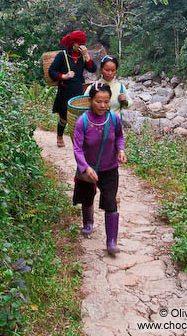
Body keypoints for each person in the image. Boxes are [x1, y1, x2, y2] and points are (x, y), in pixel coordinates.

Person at [73, 82, 127, 255]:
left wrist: (121, 150)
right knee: (87, 197)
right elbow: (77, 148)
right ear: (90, 100)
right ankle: (88, 223)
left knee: (111, 201)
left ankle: (111, 241)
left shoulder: (114, 119)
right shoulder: (83, 122)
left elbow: (119, 136)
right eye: (98, 101)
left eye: (106, 101)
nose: (103, 105)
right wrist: (85, 167)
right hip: (89, 168)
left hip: (110, 167)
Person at [49, 30, 96, 148]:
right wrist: (64, 76)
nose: (80, 47)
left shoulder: (82, 56)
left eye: (82, 45)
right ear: (73, 43)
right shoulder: (62, 56)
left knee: (80, 117)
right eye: (78, 44)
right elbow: (52, 71)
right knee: (64, 118)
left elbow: (92, 69)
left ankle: (79, 142)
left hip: (78, 90)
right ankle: (59, 136)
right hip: (65, 90)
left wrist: (87, 56)